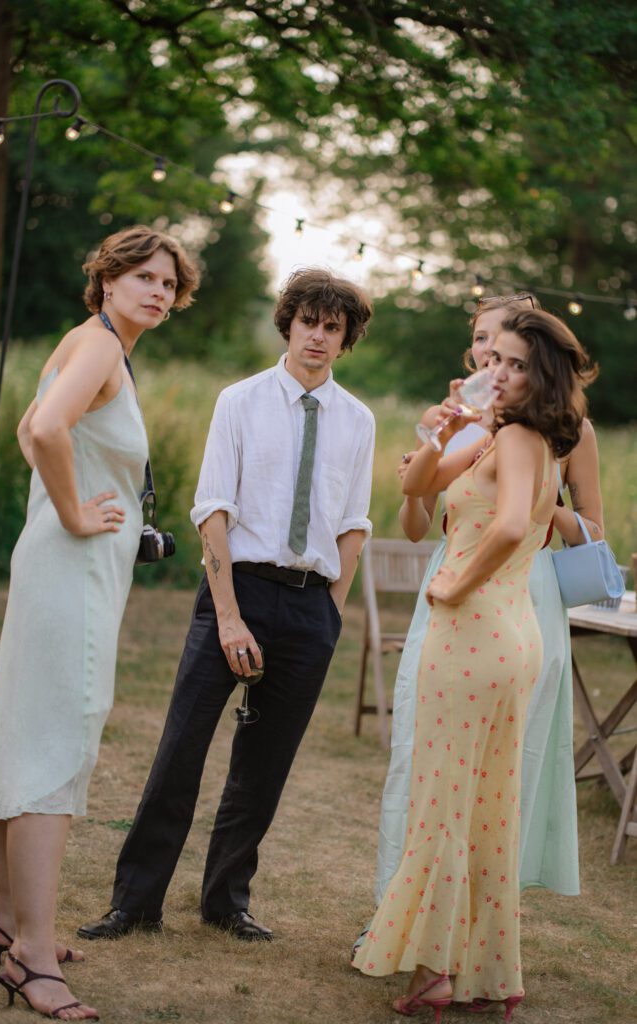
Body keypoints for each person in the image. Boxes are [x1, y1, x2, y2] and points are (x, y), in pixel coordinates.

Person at [77, 267, 375, 944]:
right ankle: (135, 902)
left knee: (263, 767)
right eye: (309, 322)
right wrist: (232, 616)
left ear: (345, 337)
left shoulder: (357, 420)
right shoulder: (238, 401)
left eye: (333, 328)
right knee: (181, 748)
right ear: (288, 323)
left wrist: (329, 610)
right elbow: (213, 512)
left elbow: (352, 524)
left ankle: (225, 900)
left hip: (309, 608)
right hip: (234, 594)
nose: (318, 338)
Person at [0, 225, 199, 1020]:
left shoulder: (93, 344)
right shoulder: (98, 346)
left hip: (66, 568)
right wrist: (74, 513)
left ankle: (9, 918)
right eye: (143, 275)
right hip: (69, 570)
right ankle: (31, 956)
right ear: (105, 278)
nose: (158, 291)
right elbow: (40, 430)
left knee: (27, 734)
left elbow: (44, 426)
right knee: (54, 745)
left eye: (169, 283)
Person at [352, 309, 597, 1021]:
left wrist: (453, 585)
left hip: (474, 632)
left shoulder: (520, 437)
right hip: (509, 634)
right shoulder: (500, 433)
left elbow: (514, 524)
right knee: (486, 807)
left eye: (518, 364)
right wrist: (440, 428)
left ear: (542, 375)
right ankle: (490, 970)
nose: (502, 371)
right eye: (499, 360)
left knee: (443, 804)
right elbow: (414, 492)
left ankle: (433, 972)